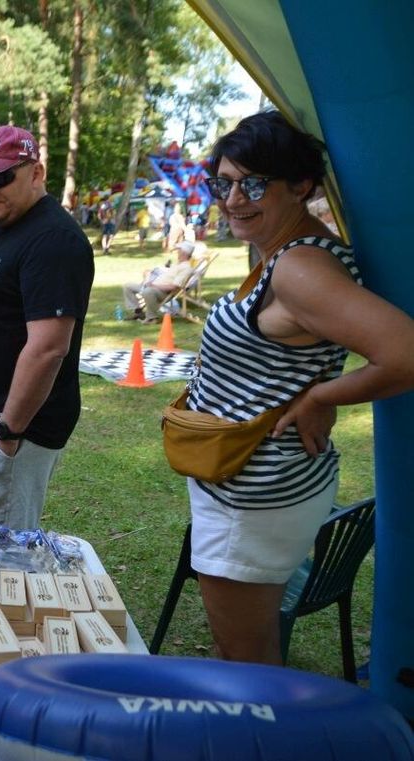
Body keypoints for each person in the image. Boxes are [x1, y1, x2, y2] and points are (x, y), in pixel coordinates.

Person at [187, 110, 414, 665]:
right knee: (249, 649)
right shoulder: (288, 251)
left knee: (243, 659)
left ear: (301, 186)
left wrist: (320, 397)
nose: (234, 199)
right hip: (253, 481)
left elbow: (405, 354)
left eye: (254, 183)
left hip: (253, 497)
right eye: (225, 183)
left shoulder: (300, 269)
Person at [0, 125, 94, 530]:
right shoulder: (3, 226)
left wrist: (8, 432)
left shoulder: (53, 240)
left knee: (2, 553)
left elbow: (48, 348)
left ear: (36, 173)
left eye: (1, 177)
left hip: (17, 427)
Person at [121, 240, 196, 323]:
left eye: (179, 250)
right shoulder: (178, 264)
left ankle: (152, 318)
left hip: (163, 293)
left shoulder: (186, 268)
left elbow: (174, 286)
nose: (177, 252)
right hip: (154, 286)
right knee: (128, 286)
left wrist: (154, 286)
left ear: (184, 253)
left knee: (148, 291)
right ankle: (138, 312)